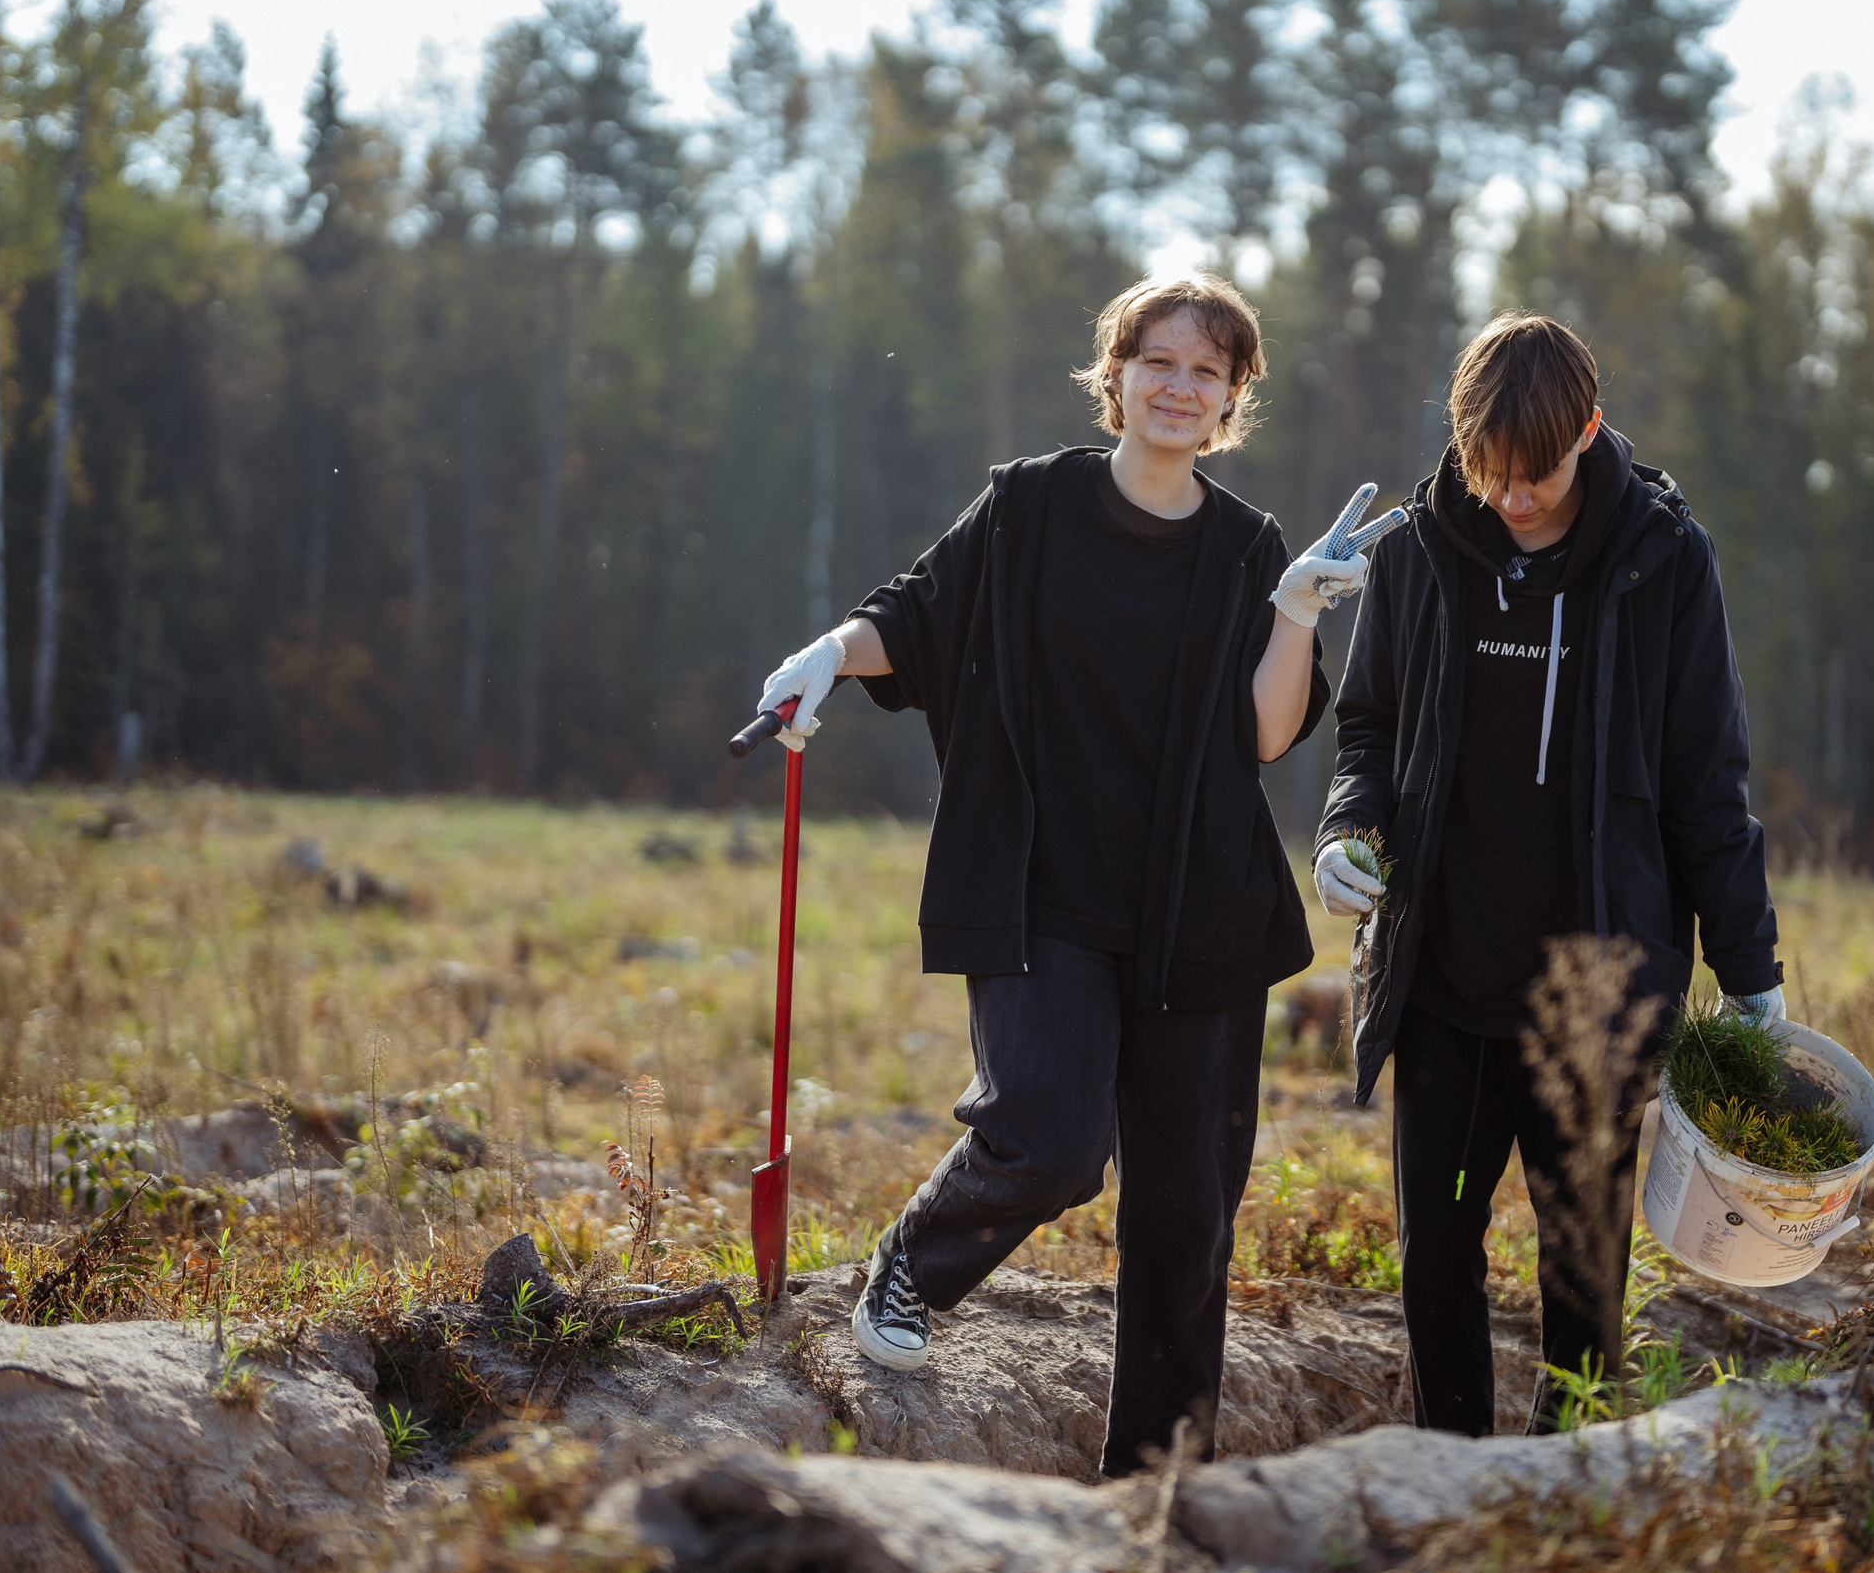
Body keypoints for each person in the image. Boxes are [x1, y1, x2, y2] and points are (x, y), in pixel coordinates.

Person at [751, 272, 1394, 1476]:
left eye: (1207, 370)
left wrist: (1297, 613)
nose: (1178, 385)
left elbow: (1266, 736)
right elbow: (921, 614)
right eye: (1158, 359)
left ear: (1230, 399)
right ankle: (913, 1263)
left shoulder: (1248, 548)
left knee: (1186, 1217)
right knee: (1046, 1137)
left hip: (1198, 908)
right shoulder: (1031, 506)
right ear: (1117, 375)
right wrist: (826, 658)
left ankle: (1155, 1493)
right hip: (1040, 886)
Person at [1314, 312, 1784, 1436]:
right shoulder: (1421, 548)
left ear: (1588, 428)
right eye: (1489, 474)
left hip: (1599, 999)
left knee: (1583, 1276)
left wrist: (1751, 972)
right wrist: (1347, 829)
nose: (1511, 501)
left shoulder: (1665, 559)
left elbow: (1705, 778)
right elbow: (1368, 725)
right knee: (1438, 1255)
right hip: (1442, 984)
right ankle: (1451, 1480)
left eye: (1533, 475)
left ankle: (1560, 1493)